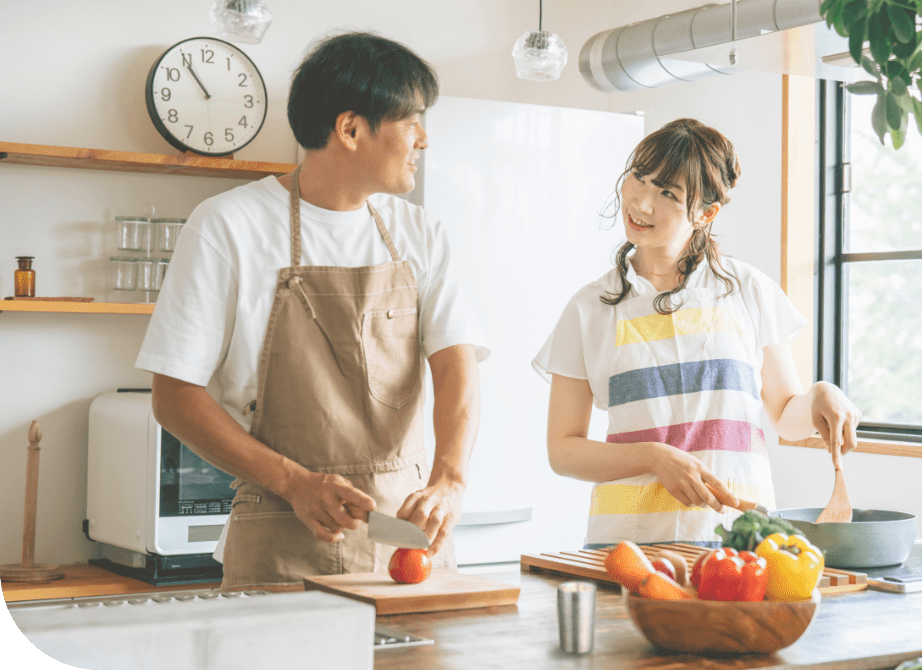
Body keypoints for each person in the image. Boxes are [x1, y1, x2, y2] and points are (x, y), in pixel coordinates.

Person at [136, 32, 488, 589]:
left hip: (407, 546)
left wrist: (450, 479)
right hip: (279, 541)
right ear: (350, 129)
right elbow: (174, 396)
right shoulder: (228, 225)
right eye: (411, 121)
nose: (423, 140)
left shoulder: (424, 234)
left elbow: (455, 364)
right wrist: (296, 483)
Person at [533, 119, 862, 549]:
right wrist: (653, 457)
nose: (642, 203)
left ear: (705, 213)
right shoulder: (590, 308)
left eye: (667, 193)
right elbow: (564, 450)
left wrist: (820, 394)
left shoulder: (747, 290)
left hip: (739, 543)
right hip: (629, 550)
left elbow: (786, 415)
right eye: (639, 177)